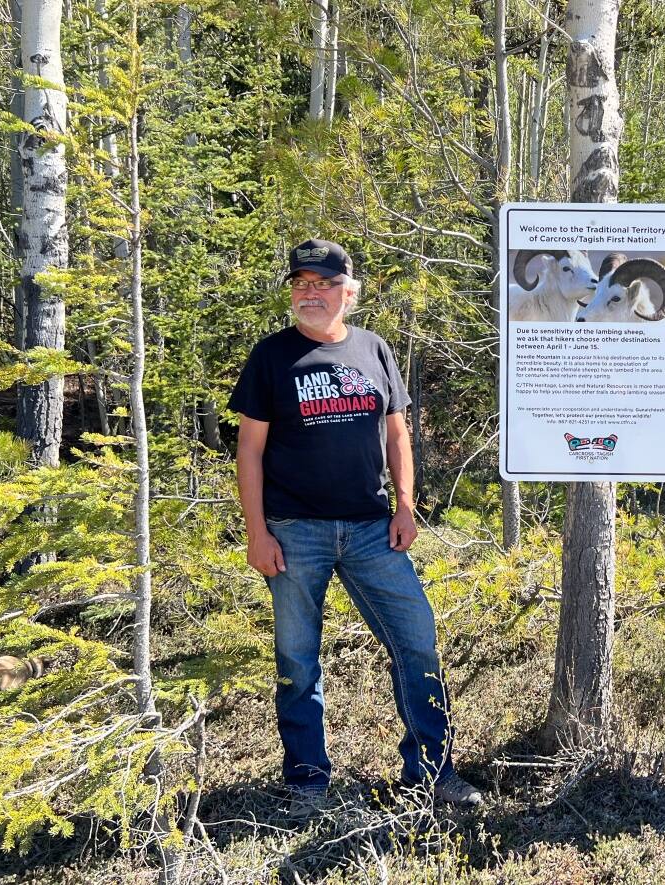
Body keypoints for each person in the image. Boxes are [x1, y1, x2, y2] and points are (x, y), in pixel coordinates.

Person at [229, 238, 482, 812]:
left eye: (322, 284)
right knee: (298, 659)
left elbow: (397, 434)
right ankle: (308, 782)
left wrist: (405, 504)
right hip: (295, 530)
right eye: (301, 284)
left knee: (416, 640)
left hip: (372, 528)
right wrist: (257, 532)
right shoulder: (272, 357)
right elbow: (248, 450)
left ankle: (433, 772)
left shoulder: (374, 349)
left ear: (349, 292)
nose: (310, 293)